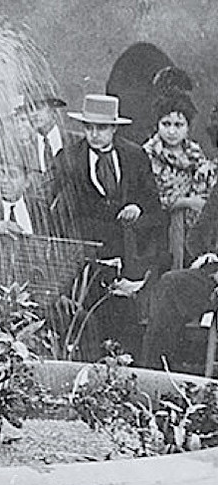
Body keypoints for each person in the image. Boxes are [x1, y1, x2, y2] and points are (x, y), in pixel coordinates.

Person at [51, 94, 166, 352]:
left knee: (124, 326)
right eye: (89, 127)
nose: (94, 134)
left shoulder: (135, 156)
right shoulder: (68, 159)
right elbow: (52, 211)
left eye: (101, 128)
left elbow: (155, 210)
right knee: (85, 326)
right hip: (82, 257)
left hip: (125, 254)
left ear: (114, 127)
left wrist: (137, 208)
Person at [141, 91, 215, 270]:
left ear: (188, 127)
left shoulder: (195, 152)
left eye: (178, 125)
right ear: (157, 125)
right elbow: (149, 197)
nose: (172, 131)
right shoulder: (147, 154)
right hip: (158, 229)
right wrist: (188, 202)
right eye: (166, 124)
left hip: (192, 225)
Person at [14, 94, 68, 174]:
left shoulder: (73, 141)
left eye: (40, 108)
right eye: (31, 109)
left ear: (54, 111)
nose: (35, 114)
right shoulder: (22, 150)